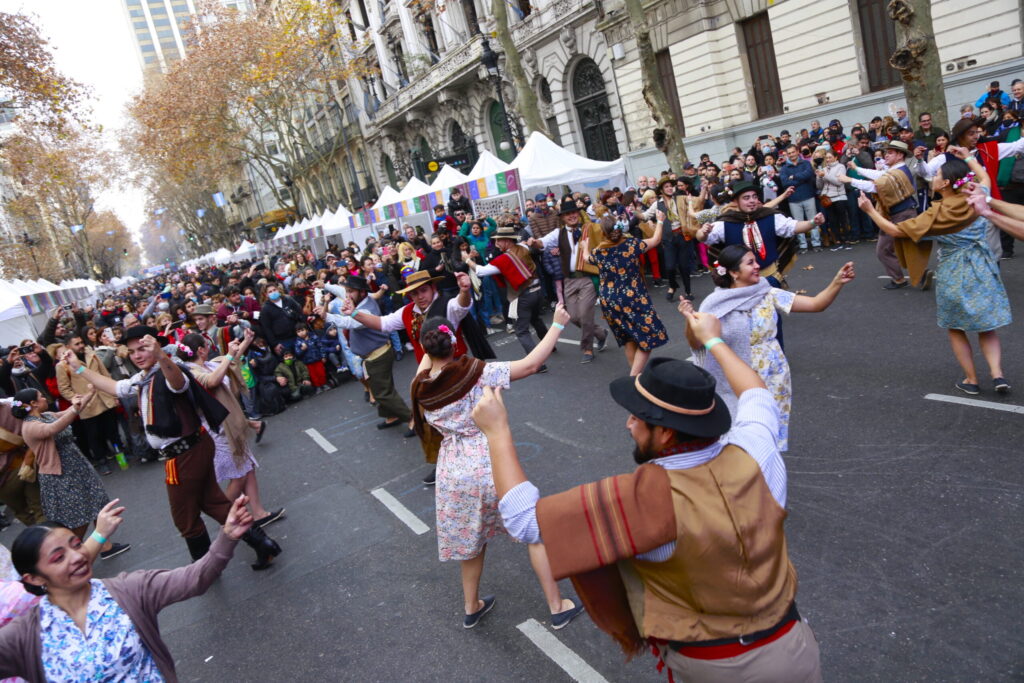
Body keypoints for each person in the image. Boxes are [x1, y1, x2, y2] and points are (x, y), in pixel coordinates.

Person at [476, 309, 822, 681]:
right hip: (795, 644)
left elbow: (525, 520)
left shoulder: (643, 500)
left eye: (637, 417)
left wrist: (497, 434)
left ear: (666, 433)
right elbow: (756, 392)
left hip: (721, 667)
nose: (629, 424)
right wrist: (713, 340)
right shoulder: (755, 449)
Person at [409, 309, 584, 630]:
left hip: (453, 471)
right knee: (533, 529)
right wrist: (558, 324)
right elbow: (530, 364)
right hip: (490, 458)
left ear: (424, 349)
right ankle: (557, 606)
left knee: (471, 542)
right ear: (454, 342)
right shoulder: (476, 372)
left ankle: (471, 606)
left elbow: (424, 369)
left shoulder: (420, 387)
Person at [60, 326, 281, 569]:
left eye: (143, 348)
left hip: (184, 454)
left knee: (185, 518)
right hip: (190, 450)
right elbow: (115, 387)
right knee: (214, 504)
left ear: (156, 346)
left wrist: (161, 355)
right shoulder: (145, 376)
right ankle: (262, 543)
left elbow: (178, 382)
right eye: (132, 351)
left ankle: (203, 568)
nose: (137, 355)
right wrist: (78, 367)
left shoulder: (170, 369)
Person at [0, 495, 256, 682]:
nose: (77, 556)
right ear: (34, 578)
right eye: (58, 558)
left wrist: (228, 536)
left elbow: (194, 579)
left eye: (76, 544)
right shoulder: (24, 636)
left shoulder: (128, 590)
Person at [858, 155, 1011, 395]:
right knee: (987, 326)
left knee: (955, 327)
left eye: (937, 174)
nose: (933, 177)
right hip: (983, 266)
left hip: (954, 271)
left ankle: (971, 379)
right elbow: (984, 177)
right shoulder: (978, 195)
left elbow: (895, 231)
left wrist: (870, 210)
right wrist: (968, 156)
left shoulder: (937, 214)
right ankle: (997, 374)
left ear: (946, 183)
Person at [687, 245, 856, 451]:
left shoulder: (767, 292)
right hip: (737, 375)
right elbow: (697, 343)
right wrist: (689, 322)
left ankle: (767, 464)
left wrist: (837, 282)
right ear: (733, 272)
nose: (757, 266)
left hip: (774, 373)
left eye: (756, 261)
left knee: (769, 431)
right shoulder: (714, 303)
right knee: (738, 431)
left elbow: (815, 304)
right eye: (750, 263)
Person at [176, 332, 283, 528]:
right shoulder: (190, 372)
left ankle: (258, 513)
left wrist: (246, 341)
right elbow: (212, 380)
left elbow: (230, 361)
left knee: (247, 469)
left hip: (230, 425)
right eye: (206, 345)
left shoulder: (207, 364)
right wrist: (228, 355)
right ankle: (225, 517)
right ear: (200, 350)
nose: (209, 348)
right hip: (216, 430)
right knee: (238, 475)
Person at [12, 386, 130, 561]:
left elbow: (69, 413)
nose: (45, 398)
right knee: (79, 516)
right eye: (41, 396)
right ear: (33, 403)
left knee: (96, 502)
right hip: (60, 475)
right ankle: (72, 552)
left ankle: (105, 546)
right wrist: (74, 408)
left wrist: (89, 393)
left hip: (77, 466)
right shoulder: (30, 426)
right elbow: (54, 428)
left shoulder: (46, 415)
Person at [325, 276, 414, 433]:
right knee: (380, 388)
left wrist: (326, 316)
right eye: (347, 291)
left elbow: (348, 323)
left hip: (377, 356)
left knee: (383, 392)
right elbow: (340, 290)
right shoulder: (362, 299)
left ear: (361, 292)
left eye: (351, 291)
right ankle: (391, 416)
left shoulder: (365, 310)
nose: (347, 295)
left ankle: (412, 419)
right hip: (374, 355)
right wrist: (324, 285)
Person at [583, 215, 667, 376]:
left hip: (610, 301)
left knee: (629, 339)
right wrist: (661, 221)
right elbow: (656, 240)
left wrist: (585, 246)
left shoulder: (599, 252)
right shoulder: (631, 245)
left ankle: (636, 377)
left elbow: (587, 258)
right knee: (648, 337)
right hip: (633, 298)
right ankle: (634, 377)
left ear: (603, 233)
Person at [838, 140, 928, 289]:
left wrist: (850, 180)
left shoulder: (898, 172)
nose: (886, 155)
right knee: (904, 248)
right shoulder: (895, 170)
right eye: (886, 152)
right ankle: (919, 274)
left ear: (900, 155)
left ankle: (901, 279)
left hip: (901, 214)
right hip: (901, 213)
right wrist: (857, 168)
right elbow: (878, 175)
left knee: (884, 250)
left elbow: (875, 186)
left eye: (890, 152)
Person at [530, 199, 610, 363]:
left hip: (587, 278)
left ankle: (587, 348)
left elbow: (606, 237)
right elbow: (542, 242)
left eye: (574, 212)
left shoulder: (589, 228)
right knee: (573, 317)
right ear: (562, 217)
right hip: (568, 280)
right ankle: (600, 333)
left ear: (578, 213)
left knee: (585, 315)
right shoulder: (558, 233)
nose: (572, 216)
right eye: (567, 214)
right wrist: (534, 242)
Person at [778, 144, 822, 252]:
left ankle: (816, 243)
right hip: (793, 200)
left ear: (798, 152)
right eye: (789, 153)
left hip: (808, 196)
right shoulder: (784, 168)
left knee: (814, 220)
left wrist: (794, 177)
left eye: (793, 152)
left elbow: (809, 174)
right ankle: (803, 246)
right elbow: (785, 183)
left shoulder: (806, 163)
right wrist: (802, 179)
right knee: (797, 224)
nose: (791, 155)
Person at [259, 282, 304, 357]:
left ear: (278, 290)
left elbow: (300, 313)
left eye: (274, 290)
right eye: (270, 291)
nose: (273, 292)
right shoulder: (265, 309)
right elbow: (267, 328)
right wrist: (274, 344)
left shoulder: (288, 300)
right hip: (283, 341)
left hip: (298, 335)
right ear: (266, 294)